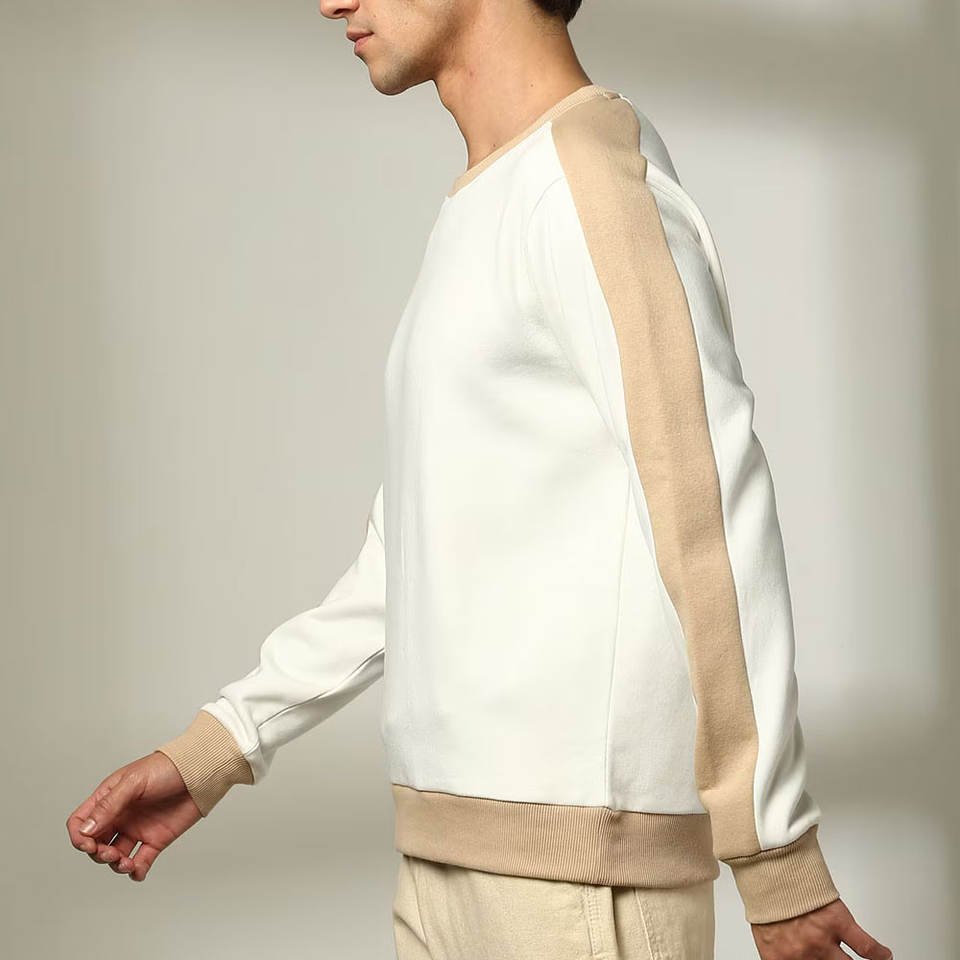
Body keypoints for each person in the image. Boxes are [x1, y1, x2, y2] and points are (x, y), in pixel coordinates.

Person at [66, 0, 894, 958]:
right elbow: (414, 554)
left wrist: (774, 854)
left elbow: (706, 515)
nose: (332, 1)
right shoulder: (487, 198)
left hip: (579, 887)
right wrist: (216, 747)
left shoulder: (588, 176)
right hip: (445, 862)